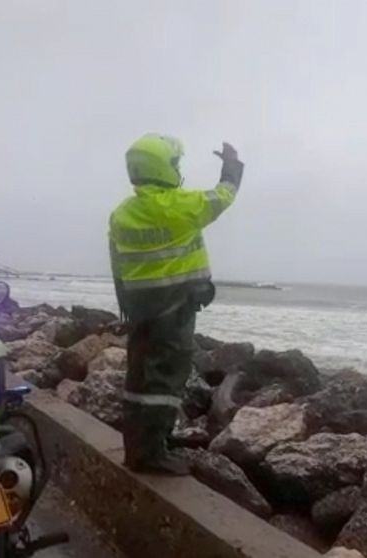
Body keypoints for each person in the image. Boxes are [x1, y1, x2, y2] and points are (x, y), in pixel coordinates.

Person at [108, 133, 244, 475]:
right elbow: (225, 195)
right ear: (163, 167)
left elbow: (118, 266)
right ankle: (152, 454)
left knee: (138, 379)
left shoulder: (122, 214)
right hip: (175, 312)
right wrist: (231, 166)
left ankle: (137, 445)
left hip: (140, 311)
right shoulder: (182, 205)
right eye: (175, 163)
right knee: (165, 383)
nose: (178, 169)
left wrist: (126, 307)